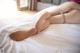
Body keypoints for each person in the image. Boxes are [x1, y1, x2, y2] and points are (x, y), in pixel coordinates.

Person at [10, 1, 80, 41]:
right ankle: (34, 30)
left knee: (51, 13)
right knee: (50, 20)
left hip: (73, 3)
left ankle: (44, 16)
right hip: (78, 14)